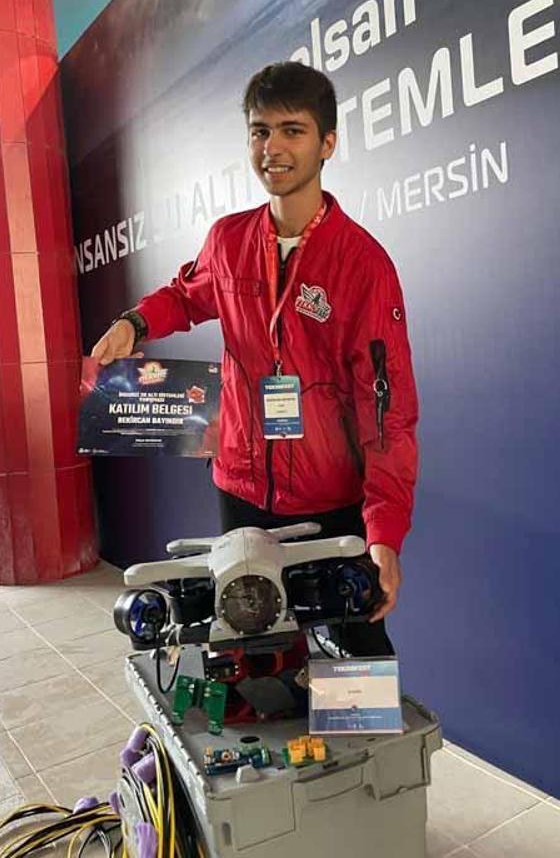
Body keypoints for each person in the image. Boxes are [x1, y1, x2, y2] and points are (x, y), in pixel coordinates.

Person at [92, 61, 418, 656]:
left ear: (327, 143)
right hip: (240, 492)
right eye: (260, 131)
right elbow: (186, 294)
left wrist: (384, 532)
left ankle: (352, 718)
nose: (273, 148)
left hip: (331, 502)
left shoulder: (363, 265)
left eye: (293, 130)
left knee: (358, 656)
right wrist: (134, 323)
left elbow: (387, 413)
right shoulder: (228, 239)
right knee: (256, 650)